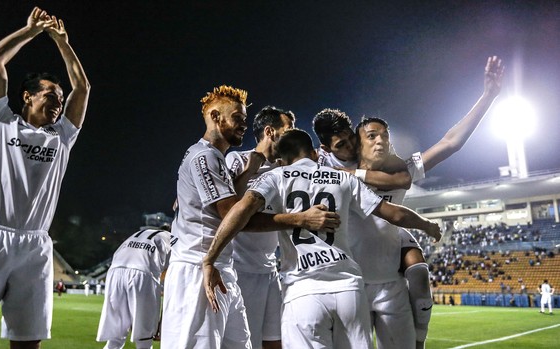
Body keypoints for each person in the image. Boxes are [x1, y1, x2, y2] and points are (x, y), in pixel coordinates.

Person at [203, 129, 441, 349]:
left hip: (303, 291)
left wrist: (210, 258)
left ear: (282, 160)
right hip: (349, 289)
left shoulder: (277, 176)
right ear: (315, 153)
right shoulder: (344, 179)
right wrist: (427, 224)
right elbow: (394, 213)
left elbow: (239, 212)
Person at [0, 7, 90, 349]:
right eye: (50, 94)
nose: (57, 101)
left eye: (59, 97)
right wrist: (31, 31)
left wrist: (62, 43)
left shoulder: (62, 136)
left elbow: (82, 87)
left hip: (35, 246)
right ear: (27, 96)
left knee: (28, 343)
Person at [161, 86, 338, 348]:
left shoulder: (216, 158)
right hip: (198, 268)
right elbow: (234, 215)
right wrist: (300, 219)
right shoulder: (206, 157)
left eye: (244, 119)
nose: (243, 125)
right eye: (237, 119)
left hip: (226, 267)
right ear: (215, 116)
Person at [351, 56, 503, 349]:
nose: (381, 140)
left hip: (388, 276)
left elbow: (450, 143)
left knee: (419, 278)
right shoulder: (338, 172)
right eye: (372, 136)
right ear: (358, 144)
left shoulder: (401, 170)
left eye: (385, 135)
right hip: (352, 279)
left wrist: (488, 96)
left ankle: (420, 340)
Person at [225, 106, 295, 349]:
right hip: (240, 271)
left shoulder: (286, 169)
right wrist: (250, 171)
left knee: (275, 342)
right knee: (245, 343)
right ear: (270, 132)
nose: (293, 136)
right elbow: (227, 209)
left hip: (269, 271)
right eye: (288, 131)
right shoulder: (236, 159)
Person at [96, 228, 175, 349]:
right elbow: (171, 281)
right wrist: (161, 324)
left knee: (116, 337)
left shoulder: (140, 234)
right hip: (142, 273)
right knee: (144, 337)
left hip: (115, 271)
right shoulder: (173, 239)